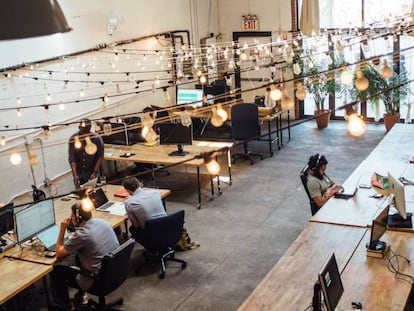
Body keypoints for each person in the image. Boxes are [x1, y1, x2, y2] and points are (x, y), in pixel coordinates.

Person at [51, 201, 119, 310]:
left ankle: (65, 304)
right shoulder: (102, 222)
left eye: (72, 216)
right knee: (79, 256)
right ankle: (81, 295)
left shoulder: (83, 235)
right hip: (116, 271)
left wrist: (62, 229)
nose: (70, 218)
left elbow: (59, 253)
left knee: (57, 269)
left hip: (97, 280)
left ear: (78, 218)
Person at [122, 176, 167, 244]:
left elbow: (136, 225)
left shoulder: (129, 202)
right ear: (139, 184)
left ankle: (151, 247)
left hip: (151, 231)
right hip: (166, 225)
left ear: (127, 190)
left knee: (132, 229)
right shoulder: (156, 192)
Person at [68, 119, 104, 188]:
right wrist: (75, 175)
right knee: (81, 194)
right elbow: (72, 159)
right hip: (79, 173)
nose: (85, 133)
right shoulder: (73, 139)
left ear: (90, 128)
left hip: (92, 172)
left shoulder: (96, 139)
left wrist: (94, 172)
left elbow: (100, 157)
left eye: (87, 130)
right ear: (79, 127)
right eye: (83, 131)